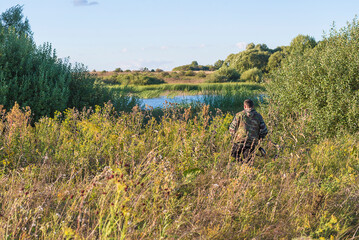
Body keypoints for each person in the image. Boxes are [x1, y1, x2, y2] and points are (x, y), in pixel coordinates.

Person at [229, 99, 268, 163]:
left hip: (239, 141)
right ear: (253, 106)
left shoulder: (239, 115)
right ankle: (245, 167)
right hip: (252, 143)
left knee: (233, 156)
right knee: (248, 161)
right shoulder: (258, 116)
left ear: (244, 106)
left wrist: (234, 137)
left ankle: (241, 165)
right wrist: (259, 138)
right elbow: (264, 131)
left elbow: (231, 129)